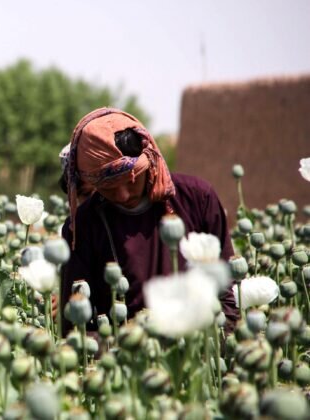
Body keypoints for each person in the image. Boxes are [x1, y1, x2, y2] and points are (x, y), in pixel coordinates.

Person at [60, 107, 239, 334]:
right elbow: (76, 328)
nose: (123, 194)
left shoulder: (197, 198)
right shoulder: (84, 226)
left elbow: (226, 293)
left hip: (200, 349)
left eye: (131, 180)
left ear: (149, 157)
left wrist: (220, 346)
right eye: (109, 187)